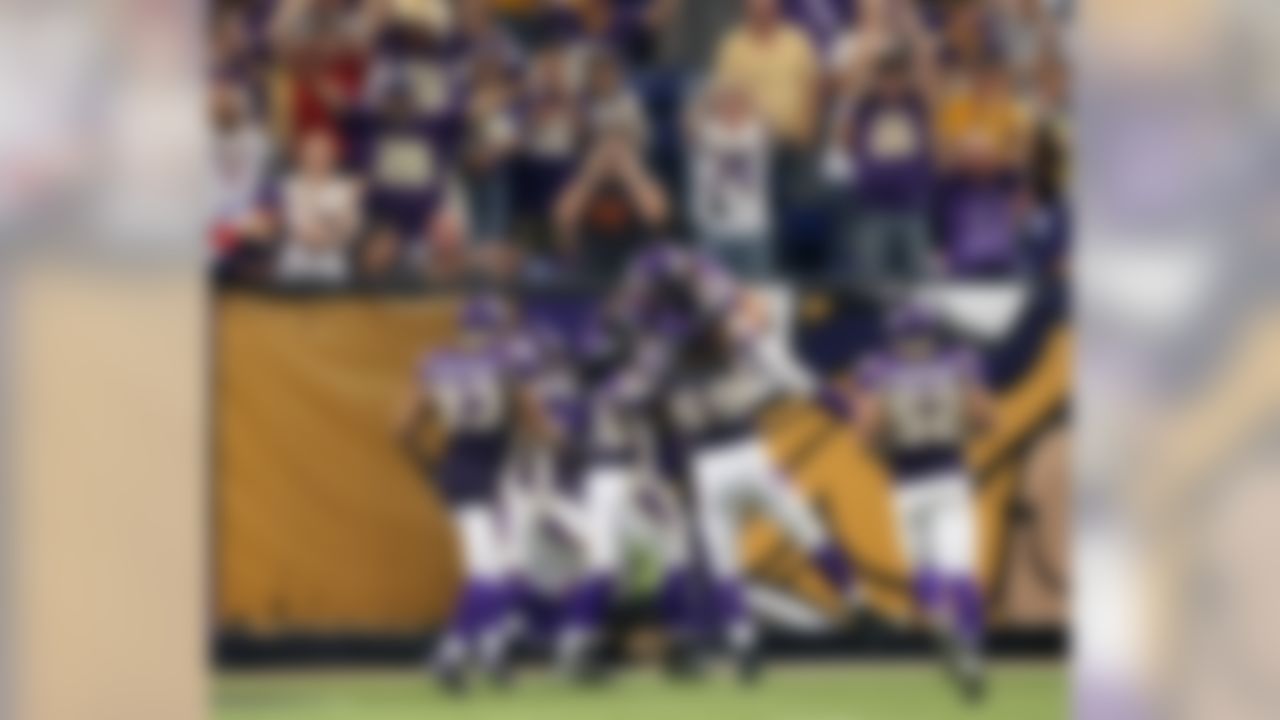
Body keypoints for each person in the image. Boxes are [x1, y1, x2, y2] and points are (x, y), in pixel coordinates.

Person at [622, 245, 868, 684]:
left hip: (705, 465)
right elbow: (785, 371)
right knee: (805, 529)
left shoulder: (655, 355)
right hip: (747, 452)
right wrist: (841, 407)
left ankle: (743, 646)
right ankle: (858, 604)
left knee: (724, 563)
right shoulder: (726, 333)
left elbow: (646, 411)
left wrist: (668, 472)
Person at [847, 304, 997, 701]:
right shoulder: (960, 362)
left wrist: (875, 439)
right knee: (960, 569)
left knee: (924, 570)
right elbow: (987, 419)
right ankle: (972, 651)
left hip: (908, 484)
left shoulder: (878, 369)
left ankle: (939, 619)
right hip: (950, 476)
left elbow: (865, 434)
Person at [397, 295, 542, 693]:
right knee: (489, 572)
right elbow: (532, 420)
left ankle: (487, 650)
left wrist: (429, 468)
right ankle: (451, 650)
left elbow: (404, 429)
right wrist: (559, 443)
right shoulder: (508, 360)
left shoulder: (437, 363)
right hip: (494, 471)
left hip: (461, 467)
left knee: (496, 567)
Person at [687, 80, 774, 280]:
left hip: (752, 228)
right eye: (726, 103)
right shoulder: (708, 130)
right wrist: (708, 95)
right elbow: (688, 125)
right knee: (713, 297)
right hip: (715, 229)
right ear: (717, 106)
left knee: (757, 292)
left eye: (737, 103)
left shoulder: (755, 131)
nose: (731, 108)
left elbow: (766, 119)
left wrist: (748, 95)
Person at [264, 130, 363, 285]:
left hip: (331, 261)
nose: (318, 157)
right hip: (295, 261)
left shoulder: (345, 188)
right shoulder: (287, 185)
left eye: (323, 153)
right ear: (302, 155)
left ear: (333, 156)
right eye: (312, 152)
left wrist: (329, 234)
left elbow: (351, 229)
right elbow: (281, 224)